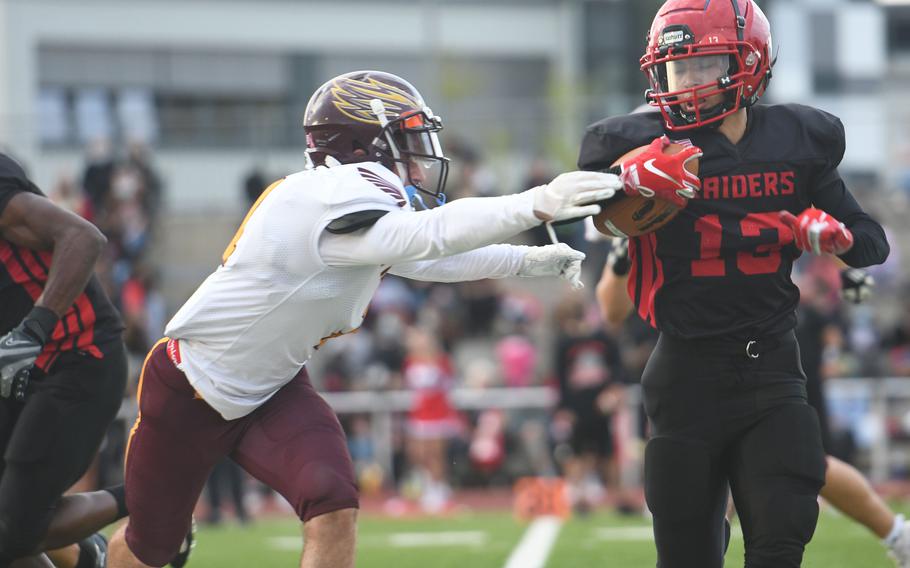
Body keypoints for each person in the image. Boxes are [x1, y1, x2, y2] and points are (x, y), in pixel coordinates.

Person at [108, 69, 622, 568]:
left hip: (274, 388)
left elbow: (426, 259)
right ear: (361, 145)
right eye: (408, 136)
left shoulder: (360, 210)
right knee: (150, 549)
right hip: (191, 388)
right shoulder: (327, 193)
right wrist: (535, 204)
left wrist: (529, 261)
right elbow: (426, 239)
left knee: (333, 505)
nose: (421, 152)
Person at [579, 1, 890, 566]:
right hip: (686, 372)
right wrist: (621, 181)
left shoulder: (798, 140)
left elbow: (873, 243)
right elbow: (577, 210)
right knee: (688, 555)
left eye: (702, 66)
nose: (686, 83)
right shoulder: (636, 142)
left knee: (782, 538)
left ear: (750, 63)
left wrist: (836, 239)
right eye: (676, 68)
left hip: (771, 365)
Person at [0, 152, 134, 568]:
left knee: (12, 530)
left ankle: (155, 491)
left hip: (78, 357)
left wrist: (33, 330)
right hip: (17, 370)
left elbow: (82, 237)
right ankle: (82, 555)